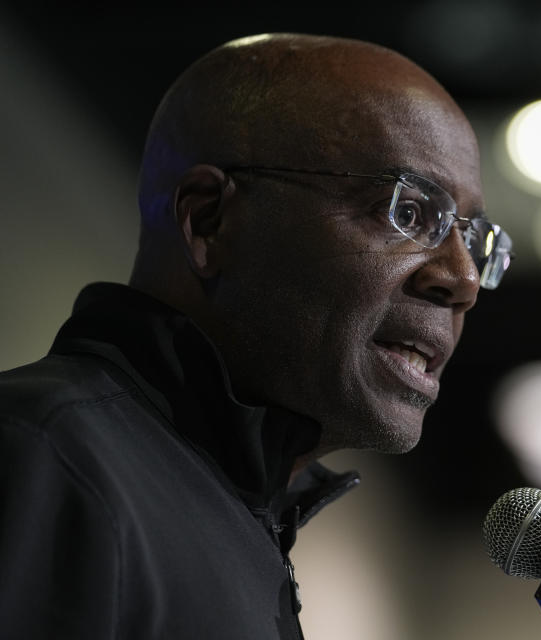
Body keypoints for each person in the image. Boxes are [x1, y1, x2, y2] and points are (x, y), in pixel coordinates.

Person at [0, 33, 511, 638]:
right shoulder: (41, 458)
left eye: (473, 239)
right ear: (209, 220)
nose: (462, 280)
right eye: (407, 212)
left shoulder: (238, 512)